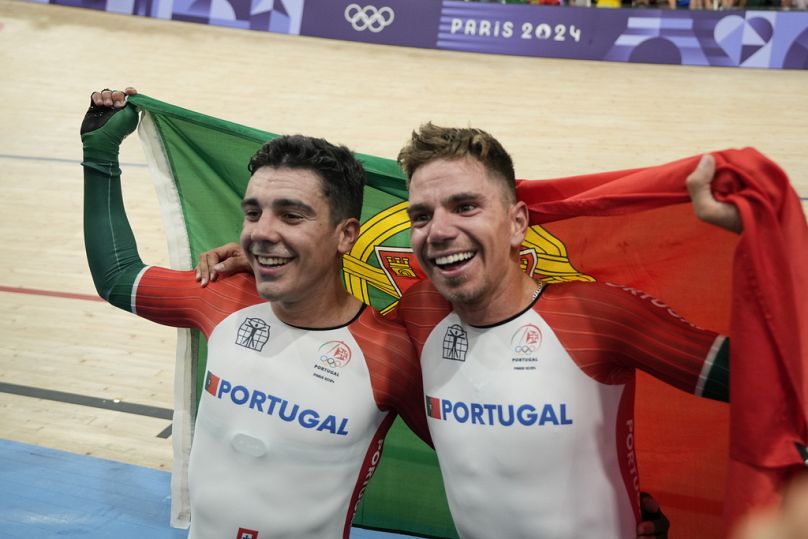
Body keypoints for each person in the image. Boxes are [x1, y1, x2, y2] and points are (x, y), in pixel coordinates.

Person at [81, 88, 430, 539]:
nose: (262, 233)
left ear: (346, 235)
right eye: (253, 212)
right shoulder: (224, 297)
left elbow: (483, 460)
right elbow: (118, 278)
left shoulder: (391, 355)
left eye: (291, 216)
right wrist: (100, 153)